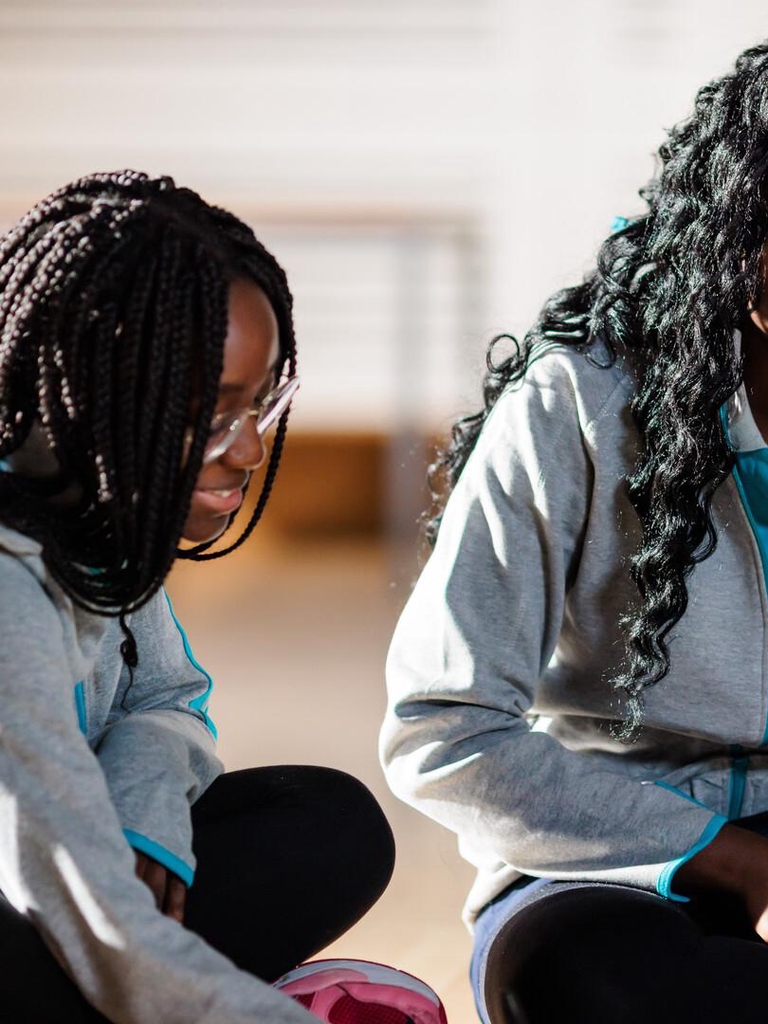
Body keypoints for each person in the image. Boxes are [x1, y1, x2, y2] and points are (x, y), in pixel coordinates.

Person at [381, 35, 768, 1023]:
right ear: (731, 235)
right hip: (611, 868)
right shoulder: (579, 406)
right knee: (579, 983)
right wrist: (746, 867)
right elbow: (442, 728)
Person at [0, 171, 398, 1023]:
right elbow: (91, 918)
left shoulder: (98, 518)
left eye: (260, 404)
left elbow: (171, 696)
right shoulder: (7, 587)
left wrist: (148, 816)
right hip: (34, 904)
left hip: (73, 876)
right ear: (84, 396)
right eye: (212, 415)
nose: (250, 451)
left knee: (331, 823)